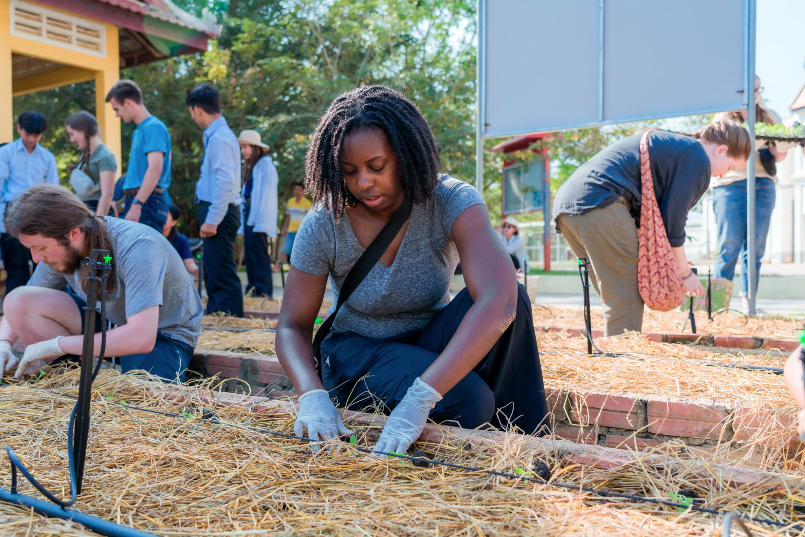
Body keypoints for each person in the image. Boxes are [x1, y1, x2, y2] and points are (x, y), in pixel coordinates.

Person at [277, 85, 549, 457]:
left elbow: (499, 301)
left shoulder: (451, 200)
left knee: (511, 295)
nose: (363, 182)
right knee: (469, 401)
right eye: (350, 171)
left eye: (376, 167)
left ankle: (528, 449)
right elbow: (292, 325)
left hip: (425, 340)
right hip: (357, 353)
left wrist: (421, 397)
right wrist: (310, 394)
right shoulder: (325, 221)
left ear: (406, 155)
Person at [553, 122, 751, 337]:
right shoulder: (698, 158)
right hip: (601, 203)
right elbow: (672, 223)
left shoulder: (676, 147)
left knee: (613, 293)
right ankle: (623, 361)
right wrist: (685, 274)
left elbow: (655, 222)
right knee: (625, 294)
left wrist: (671, 260)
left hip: (569, 207)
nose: (723, 175)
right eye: (730, 167)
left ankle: (613, 356)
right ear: (721, 150)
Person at [0, 185, 202, 382]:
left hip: (162, 334)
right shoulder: (57, 250)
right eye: (30, 250)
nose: (35, 258)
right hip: (107, 319)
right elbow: (19, 303)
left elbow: (142, 337)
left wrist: (58, 344)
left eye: (40, 247)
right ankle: (71, 378)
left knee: (139, 400)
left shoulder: (138, 246)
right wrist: (4, 344)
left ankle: (78, 360)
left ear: (72, 234)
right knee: (18, 300)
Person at [711, 76, 798, 315]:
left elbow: (779, 155)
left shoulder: (770, 117)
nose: (755, 93)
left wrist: (782, 147)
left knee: (756, 249)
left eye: (758, 89)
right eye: (750, 89)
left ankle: (750, 307)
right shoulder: (723, 118)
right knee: (728, 247)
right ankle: (715, 308)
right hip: (731, 185)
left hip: (763, 184)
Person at [189, 83, 244, 317]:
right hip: (218, 210)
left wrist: (212, 219)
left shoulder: (220, 137)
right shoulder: (216, 135)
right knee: (213, 268)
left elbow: (225, 182)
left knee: (221, 269)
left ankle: (230, 319)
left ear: (196, 110)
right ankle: (218, 316)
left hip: (220, 211)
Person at [0, 111, 59, 295]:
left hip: (39, 215)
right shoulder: (5, 153)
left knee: (43, 265)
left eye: (36, 135)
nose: (31, 139)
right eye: (28, 134)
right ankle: (13, 315)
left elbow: (53, 190)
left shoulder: (48, 158)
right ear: (19, 129)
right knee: (16, 268)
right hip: (11, 213)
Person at [105, 80, 171, 232]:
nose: (116, 115)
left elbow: (155, 168)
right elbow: (138, 174)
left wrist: (137, 204)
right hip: (139, 201)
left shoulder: (153, 127)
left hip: (147, 203)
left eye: (116, 109)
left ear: (128, 103)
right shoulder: (138, 131)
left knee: (146, 255)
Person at [237, 130, 278, 298]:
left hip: (259, 216)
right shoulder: (250, 167)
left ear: (255, 148)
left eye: (245, 147)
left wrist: (261, 222)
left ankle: (264, 291)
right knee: (250, 254)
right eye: (241, 147)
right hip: (249, 213)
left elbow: (267, 196)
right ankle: (254, 290)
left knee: (260, 254)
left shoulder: (266, 165)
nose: (243, 151)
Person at [65, 111, 117, 216]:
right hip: (84, 211)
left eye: (72, 134)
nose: (72, 139)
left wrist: (97, 222)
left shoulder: (105, 157)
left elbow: (107, 194)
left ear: (83, 130)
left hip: (97, 213)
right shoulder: (85, 156)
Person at [163, 204, 199, 279]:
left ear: (174, 222)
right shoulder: (149, 237)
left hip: (172, 275)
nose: (161, 218)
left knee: (190, 277)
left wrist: (196, 270)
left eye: (165, 216)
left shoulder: (181, 239)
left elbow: (189, 262)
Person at [280, 183, 312, 265]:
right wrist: (285, 229)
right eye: (296, 189)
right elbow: (288, 217)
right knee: (284, 251)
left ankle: (295, 269)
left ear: (303, 191)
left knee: (298, 253)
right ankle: (277, 265)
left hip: (301, 233)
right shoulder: (290, 202)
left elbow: (309, 219)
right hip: (291, 231)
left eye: (299, 190)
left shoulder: (307, 203)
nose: (297, 191)